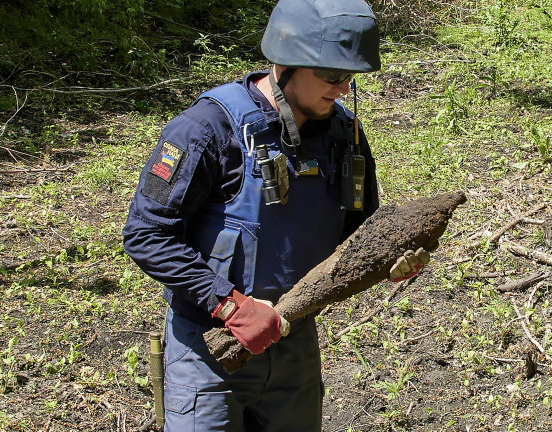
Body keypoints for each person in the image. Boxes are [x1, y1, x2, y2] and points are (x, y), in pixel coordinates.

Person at [122, 0, 429, 430]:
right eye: (332, 76)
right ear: (286, 63)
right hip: (209, 349)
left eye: (350, 78)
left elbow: (362, 233)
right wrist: (228, 305)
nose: (343, 89)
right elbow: (147, 235)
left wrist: (388, 261)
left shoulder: (345, 135)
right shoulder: (207, 129)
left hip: (293, 342)